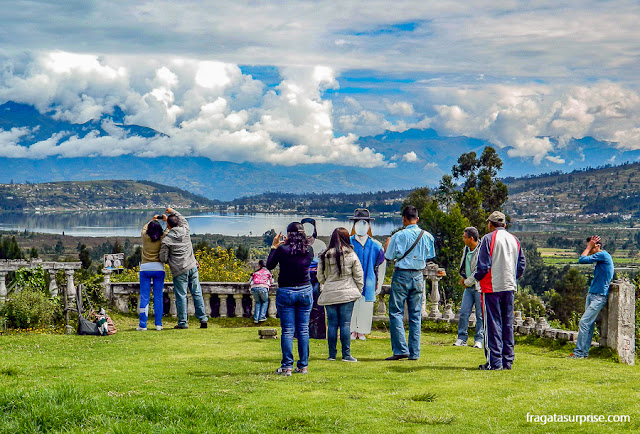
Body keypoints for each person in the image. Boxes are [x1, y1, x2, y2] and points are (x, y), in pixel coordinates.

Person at [474, 211, 526, 370]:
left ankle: (494, 362)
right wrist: (512, 277)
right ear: (504, 224)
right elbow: (521, 265)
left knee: (492, 324)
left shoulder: (487, 239)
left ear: (490, 224)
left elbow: (483, 265)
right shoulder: (514, 240)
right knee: (507, 324)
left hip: (492, 287)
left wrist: (476, 278)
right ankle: (507, 360)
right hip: (509, 286)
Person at [383, 206, 435, 361]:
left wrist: (387, 245)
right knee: (415, 315)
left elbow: (389, 255)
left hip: (401, 274)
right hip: (418, 275)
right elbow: (430, 254)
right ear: (417, 219)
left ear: (404, 219)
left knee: (396, 312)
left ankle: (400, 349)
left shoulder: (398, 236)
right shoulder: (427, 236)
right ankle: (415, 352)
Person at [267, 222, 314, 376]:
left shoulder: (282, 250)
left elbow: (269, 265)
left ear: (288, 235)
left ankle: (287, 366)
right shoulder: (309, 250)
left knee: (287, 331)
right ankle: (303, 366)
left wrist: (274, 246)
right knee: (303, 330)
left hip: (286, 291)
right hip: (305, 290)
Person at [317, 227, 364, 362]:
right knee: (345, 324)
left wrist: (328, 282)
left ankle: (332, 355)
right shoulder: (351, 254)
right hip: (347, 292)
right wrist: (358, 290)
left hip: (330, 292)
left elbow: (320, 277)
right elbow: (358, 275)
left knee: (332, 324)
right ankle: (346, 354)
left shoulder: (325, 255)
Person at [159, 207, 208, 329]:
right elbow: (182, 219)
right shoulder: (186, 230)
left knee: (181, 296)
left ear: (168, 225)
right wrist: (172, 211)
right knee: (197, 293)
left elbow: (163, 258)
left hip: (179, 270)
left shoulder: (167, 240)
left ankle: (183, 322)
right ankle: (203, 319)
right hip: (192, 266)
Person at [569, 235, 614, 359]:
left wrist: (589, 247)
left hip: (599, 296)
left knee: (584, 322)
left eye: (591, 247)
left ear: (597, 246)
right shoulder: (601, 257)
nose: (589, 249)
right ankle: (583, 353)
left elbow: (582, 259)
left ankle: (578, 353)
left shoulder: (603, 255)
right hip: (593, 293)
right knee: (588, 325)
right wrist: (590, 246)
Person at [348, 209, 386, 340]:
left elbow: (381, 266)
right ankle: (352, 330)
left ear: (369, 225)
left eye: (364, 223)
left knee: (366, 306)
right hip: (351, 280)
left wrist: (379, 283)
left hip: (369, 280)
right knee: (352, 305)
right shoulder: (348, 243)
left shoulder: (376, 245)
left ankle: (362, 330)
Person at [453, 227, 484, 348]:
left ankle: (479, 339)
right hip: (468, 287)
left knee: (480, 315)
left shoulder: (482, 250)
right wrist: (463, 278)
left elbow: (479, 270)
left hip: (478, 286)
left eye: (464, 237)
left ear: (471, 238)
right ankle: (461, 338)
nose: (463, 239)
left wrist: (468, 281)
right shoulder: (466, 249)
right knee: (463, 312)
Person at [137, 215, 168, 331]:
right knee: (158, 297)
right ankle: (158, 324)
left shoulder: (145, 237)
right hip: (159, 268)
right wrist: (165, 220)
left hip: (145, 268)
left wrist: (153, 219)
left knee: (144, 297)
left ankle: (143, 324)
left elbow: (144, 228)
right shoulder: (162, 238)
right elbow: (168, 230)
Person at [249, 260, 273, 324]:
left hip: (254, 288)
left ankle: (256, 318)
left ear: (259, 265)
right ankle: (262, 317)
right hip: (263, 288)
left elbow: (250, 281)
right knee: (265, 301)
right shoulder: (267, 272)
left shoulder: (256, 272)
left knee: (257, 302)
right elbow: (271, 281)